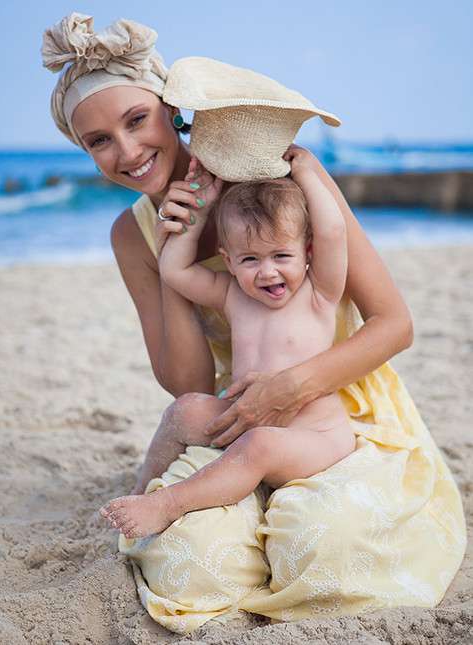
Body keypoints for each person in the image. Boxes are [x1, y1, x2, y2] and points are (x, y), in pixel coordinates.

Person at [42, 13, 466, 635]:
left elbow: (394, 324)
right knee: (187, 567)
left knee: (331, 551)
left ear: (170, 109)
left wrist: (294, 386)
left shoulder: (274, 187)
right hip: (234, 418)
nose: (126, 151)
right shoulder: (130, 234)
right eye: (99, 141)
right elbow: (185, 380)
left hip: (333, 410)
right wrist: (171, 254)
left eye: (136, 120)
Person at [99, 149, 356, 538]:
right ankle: (139, 491)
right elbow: (174, 270)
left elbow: (333, 231)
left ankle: (168, 503)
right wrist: (198, 216)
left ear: (306, 253)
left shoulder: (320, 292)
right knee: (183, 411)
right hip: (243, 418)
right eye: (250, 259)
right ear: (228, 260)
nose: (268, 271)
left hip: (314, 437)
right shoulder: (233, 294)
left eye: (281, 255)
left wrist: (305, 171)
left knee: (260, 445)